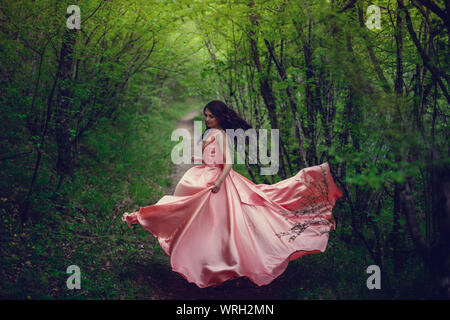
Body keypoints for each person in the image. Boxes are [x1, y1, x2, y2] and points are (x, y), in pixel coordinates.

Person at [122, 100, 342, 289]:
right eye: (206, 116)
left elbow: (228, 163)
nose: (207, 119)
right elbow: (210, 157)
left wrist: (218, 182)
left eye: (211, 116)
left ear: (219, 117)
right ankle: (210, 263)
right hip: (205, 177)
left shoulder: (219, 134)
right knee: (200, 220)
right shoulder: (212, 133)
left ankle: (218, 266)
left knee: (220, 225)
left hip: (217, 182)